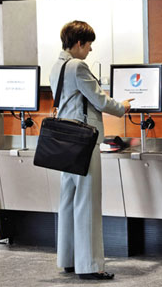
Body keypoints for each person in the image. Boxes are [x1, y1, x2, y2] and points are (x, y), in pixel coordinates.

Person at [49, 20, 132, 281]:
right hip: (84, 141)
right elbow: (99, 100)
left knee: (69, 200)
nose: (90, 50)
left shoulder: (56, 66)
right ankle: (90, 265)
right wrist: (123, 107)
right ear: (78, 43)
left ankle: (69, 259)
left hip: (65, 140)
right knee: (88, 202)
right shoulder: (77, 66)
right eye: (88, 45)